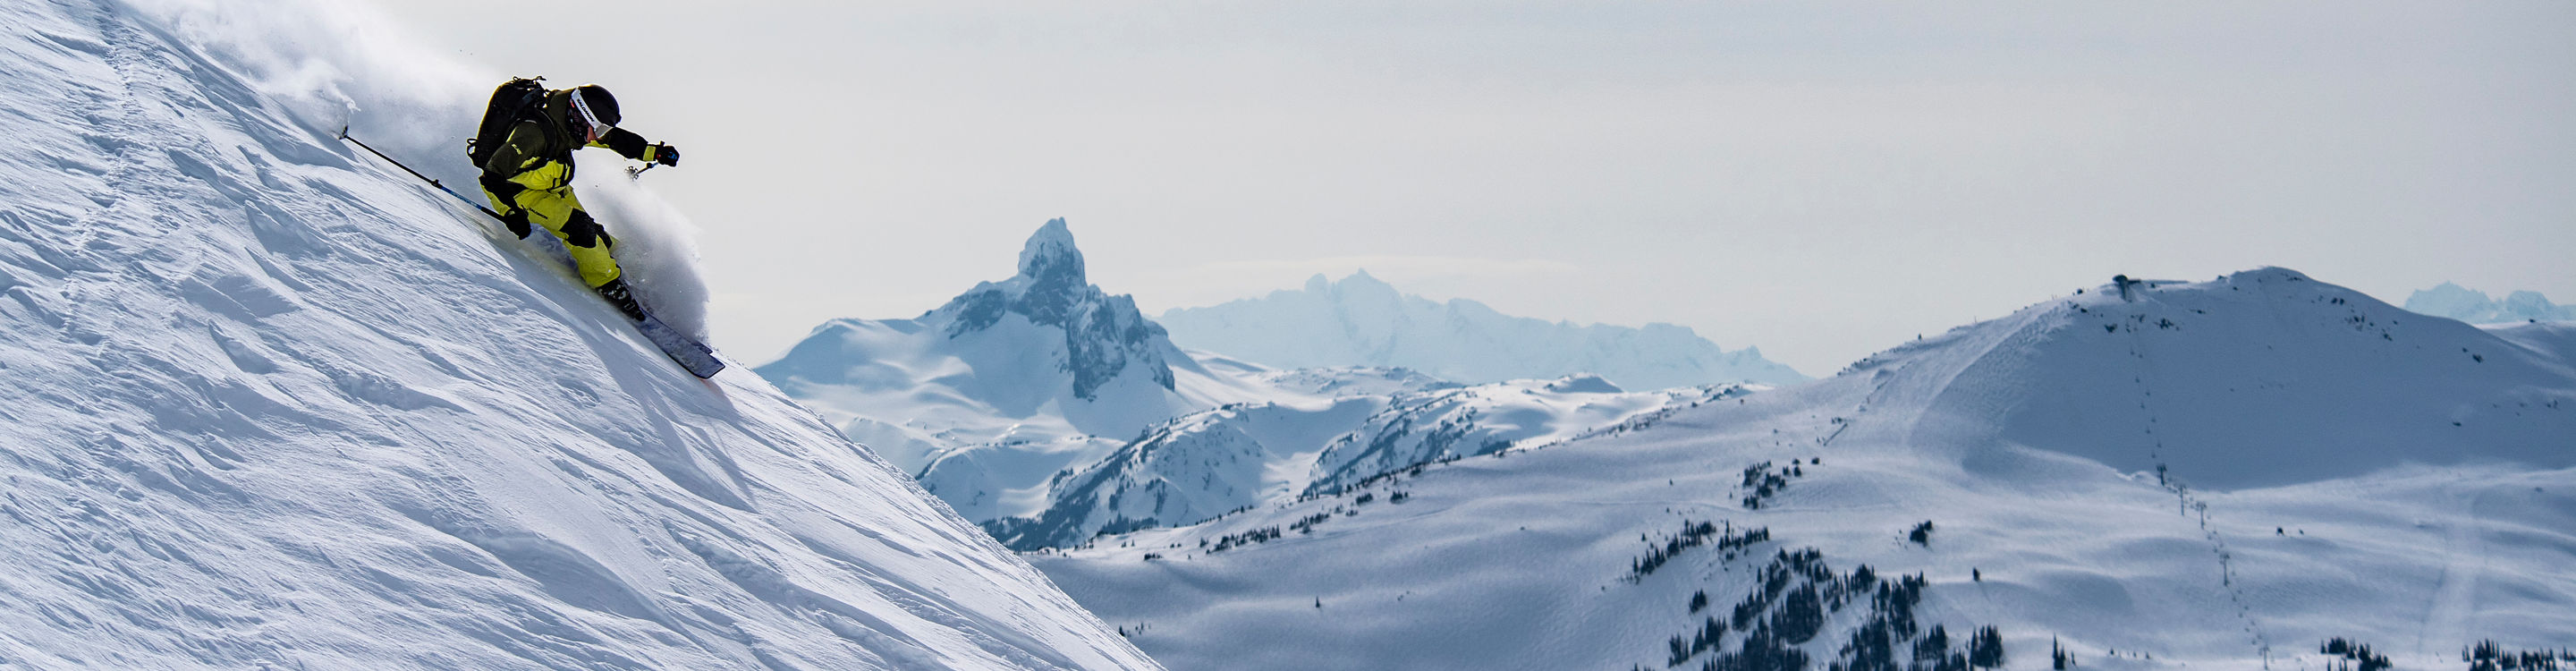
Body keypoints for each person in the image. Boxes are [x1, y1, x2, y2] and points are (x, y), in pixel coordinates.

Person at [474, 83, 680, 320]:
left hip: (555, 188)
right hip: (521, 195)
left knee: (599, 237)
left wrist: (655, 152)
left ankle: (630, 279)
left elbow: (615, 140)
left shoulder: (571, 126)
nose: (599, 136)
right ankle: (608, 284)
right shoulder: (533, 134)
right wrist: (511, 213)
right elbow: (491, 176)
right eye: (598, 129)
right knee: (580, 230)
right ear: (579, 117)